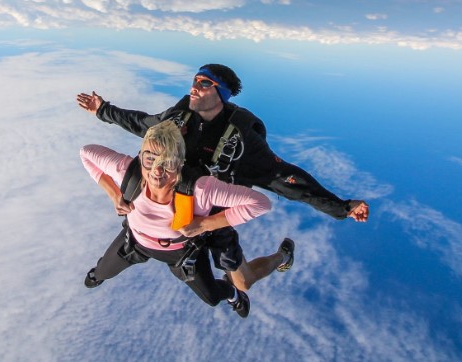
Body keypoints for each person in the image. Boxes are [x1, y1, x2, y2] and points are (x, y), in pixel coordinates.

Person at [77, 63, 368, 290]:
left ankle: (282, 257)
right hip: (169, 198)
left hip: (214, 212)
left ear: (222, 94)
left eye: (204, 84)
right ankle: (104, 271)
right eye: (194, 81)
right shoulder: (179, 117)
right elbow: (143, 123)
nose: (194, 88)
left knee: (242, 282)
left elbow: (285, 177)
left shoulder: (240, 139)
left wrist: (342, 207)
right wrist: (102, 110)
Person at [80, 120, 285, 318]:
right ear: (140, 155)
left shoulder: (200, 188)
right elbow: (86, 153)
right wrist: (114, 194)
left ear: (180, 163)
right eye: (150, 159)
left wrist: (205, 224)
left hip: (182, 254)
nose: (156, 172)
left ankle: (233, 295)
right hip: (134, 242)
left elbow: (260, 203)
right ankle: (97, 275)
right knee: (101, 272)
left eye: (167, 163)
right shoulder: (127, 170)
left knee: (212, 297)